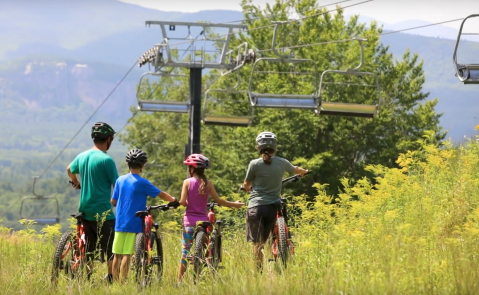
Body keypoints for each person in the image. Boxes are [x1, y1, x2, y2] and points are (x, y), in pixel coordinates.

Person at [110, 149, 179, 283]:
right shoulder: (142, 182)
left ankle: (115, 285)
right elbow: (161, 194)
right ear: (142, 166)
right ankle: (123, 284)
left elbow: (113, 201)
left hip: (119, 222)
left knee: (117, 255)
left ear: (127, 163)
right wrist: (173, 200)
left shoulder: (120, 180)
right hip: (134, 223)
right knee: (127, 255)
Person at [242, 131, 308, 270]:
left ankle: (258, 273)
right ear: (275, 147)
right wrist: (304, 171)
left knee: (258, 245)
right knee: (267, 238)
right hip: (272, 208)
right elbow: (295, 169)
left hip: (256, 208)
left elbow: (247, 184)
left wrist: (245, 187)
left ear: (258, 147)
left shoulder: (254, 164)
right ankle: (281, 254)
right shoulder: (282, 162)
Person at [177, 153, 244, 283]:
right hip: (204, 222)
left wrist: (180, 203)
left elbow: (182, 202)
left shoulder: (187, 182)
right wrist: (234, 205)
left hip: (189, 223)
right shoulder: (209, 184)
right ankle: (199, 277)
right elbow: (219, 200)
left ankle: (179, 282)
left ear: (192, 169)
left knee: (185, 253)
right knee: (203, 251)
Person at [67, 122, 119, 282]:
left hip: (84, 210)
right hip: (102, 212)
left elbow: (69, 169)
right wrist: (116, 202)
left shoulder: (82, 156)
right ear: (108, 139)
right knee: (111, 247)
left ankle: (86, 277)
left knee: (89, 246)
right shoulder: (106, 160)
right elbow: (117, 185)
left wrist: (76, 182)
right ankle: (111, 278)